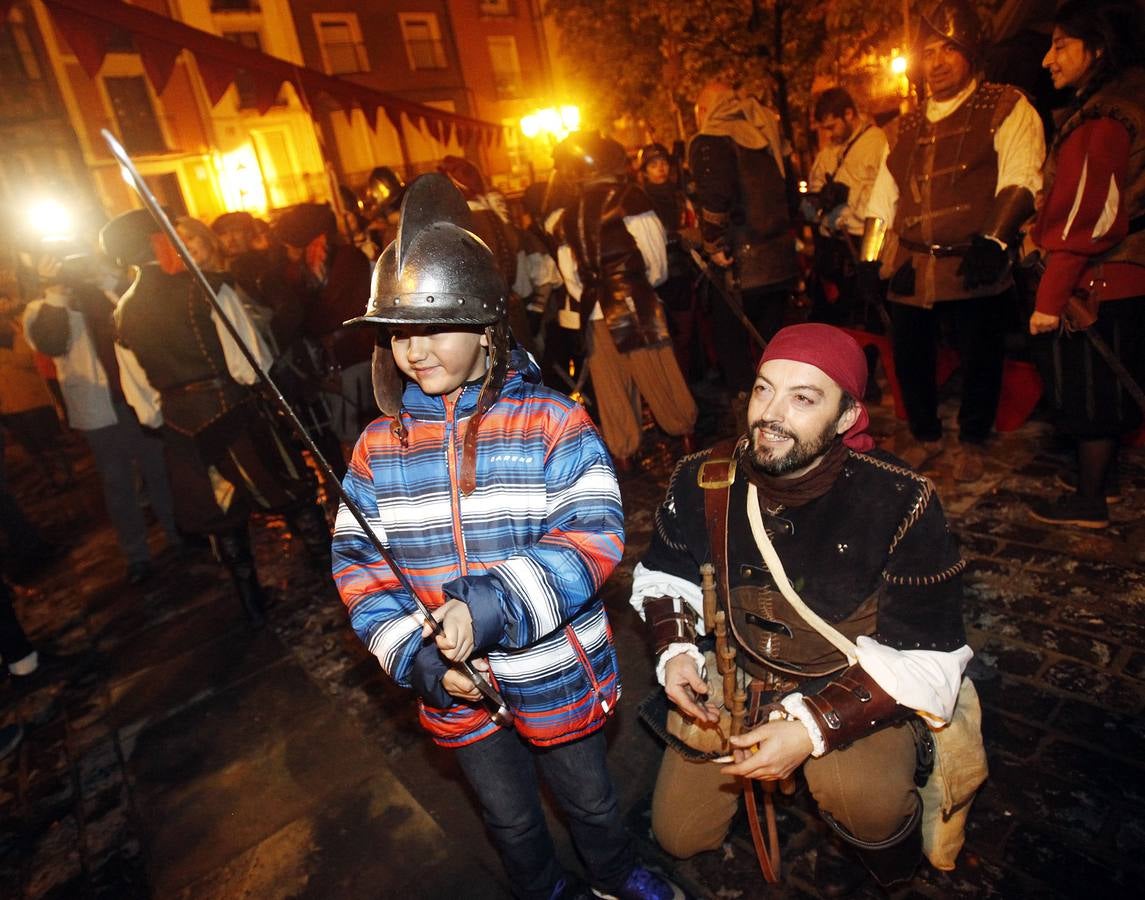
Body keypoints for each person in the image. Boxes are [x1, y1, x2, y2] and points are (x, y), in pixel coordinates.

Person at [332, 173, 682, 900]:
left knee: (588, 800)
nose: (412, 351)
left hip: (550, 669)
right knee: (508, 819)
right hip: (457, 688)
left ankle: (613, 874)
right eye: (398, 333)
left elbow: (592, 534)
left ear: (486, 324)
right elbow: (359, 563)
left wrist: (490, 607)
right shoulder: (375, 447)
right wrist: (419, 660)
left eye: (432, 328)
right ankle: (542, 889)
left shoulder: (554, 422)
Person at [631, 323, 971, 894]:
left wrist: (810, 728)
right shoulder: (704, 478)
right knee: (677, 836)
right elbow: (667, 571)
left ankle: (897, 844)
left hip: (849, 680)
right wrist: (677, 652)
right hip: (737, 675)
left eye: (803, 398)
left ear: (845, 417)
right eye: (764, 389)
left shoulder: (899, 499)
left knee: (860, 798)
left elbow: (929, 653)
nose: (771, 414)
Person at [102, 208, 331, 627]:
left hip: (180, 427)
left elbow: (141, 401)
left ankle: (253, 606)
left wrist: (170, 417)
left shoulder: (122, 313)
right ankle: (336, 577)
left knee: (224, 518)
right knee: (289, 492)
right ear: (158, 241)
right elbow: (250, 362)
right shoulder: (206, 286)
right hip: (233, 413)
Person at [863, 0, 1045, 481]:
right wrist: (868, 259)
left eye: (950, 49)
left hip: (975, 259)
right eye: (930, 51)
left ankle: (973, 439)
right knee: (910, 356)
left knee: (981, 355)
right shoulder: (904, 124)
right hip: (914, 261)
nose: (938, 61)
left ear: (971, 53)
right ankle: (923, 434)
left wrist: (994, 242)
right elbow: (884, 195)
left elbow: (1022, 179)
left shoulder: (1006, 105)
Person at [1024, 0, 1145, 528]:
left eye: (1061, 45)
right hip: (1118, 276)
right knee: (1104, 391)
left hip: (1098, 283)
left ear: (1097, 49)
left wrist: (1048, 302)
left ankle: (1090, 502)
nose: (1048, 59)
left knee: (1091, 394)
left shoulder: (1105, 116)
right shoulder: (1119, 102)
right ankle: (1102, 486)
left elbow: (1083, 219)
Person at [22, 250, 180, 584]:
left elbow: (143, 321)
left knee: (160, 469)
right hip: (99, 408)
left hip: (136, 398)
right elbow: (50, 344)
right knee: (118, 484)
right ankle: (137, 555)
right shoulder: (42, 309)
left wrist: (107, 281)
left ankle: (179, 533)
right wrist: (55, 292)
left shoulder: (110, 290)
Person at [553, 133, 698, 470]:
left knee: (611, 386)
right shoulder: (631, 199)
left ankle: (624, 452)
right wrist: (645, 285)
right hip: (636, 305)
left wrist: (594, 295)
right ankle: (684, 434)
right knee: (659, 373)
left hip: (594, 312)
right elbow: (655, 258)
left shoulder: (567, 215)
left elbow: (570, 276)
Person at [689, 81, 800, 391]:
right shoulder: (765, 135)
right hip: (778, 262)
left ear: (704, 110)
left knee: (735, 353)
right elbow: (790, 194)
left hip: (739, 268)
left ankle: (752, 422)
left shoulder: (711, 140)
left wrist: (713, 246)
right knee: (773, 345)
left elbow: (715, 198)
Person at [806, 88, 889, 334]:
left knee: (870, 320)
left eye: (832, 127)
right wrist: (821, 201)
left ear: (849, 114)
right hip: (833, 248)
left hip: (863, 245)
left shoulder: (877, 143)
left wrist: (848, 201)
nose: (829, 134)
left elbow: (883, 200)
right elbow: (810, 204)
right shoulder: (827, 153)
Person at [638, 143, 700, 380]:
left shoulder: (679, 195)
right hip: (657, 276)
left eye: (663, 163)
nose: (660, 169)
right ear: (645, 171)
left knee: (688, 330)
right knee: (668, 335)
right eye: (654, 165)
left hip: (684, 269)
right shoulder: (641, 200)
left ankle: (693, 378)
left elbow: (692, 225)